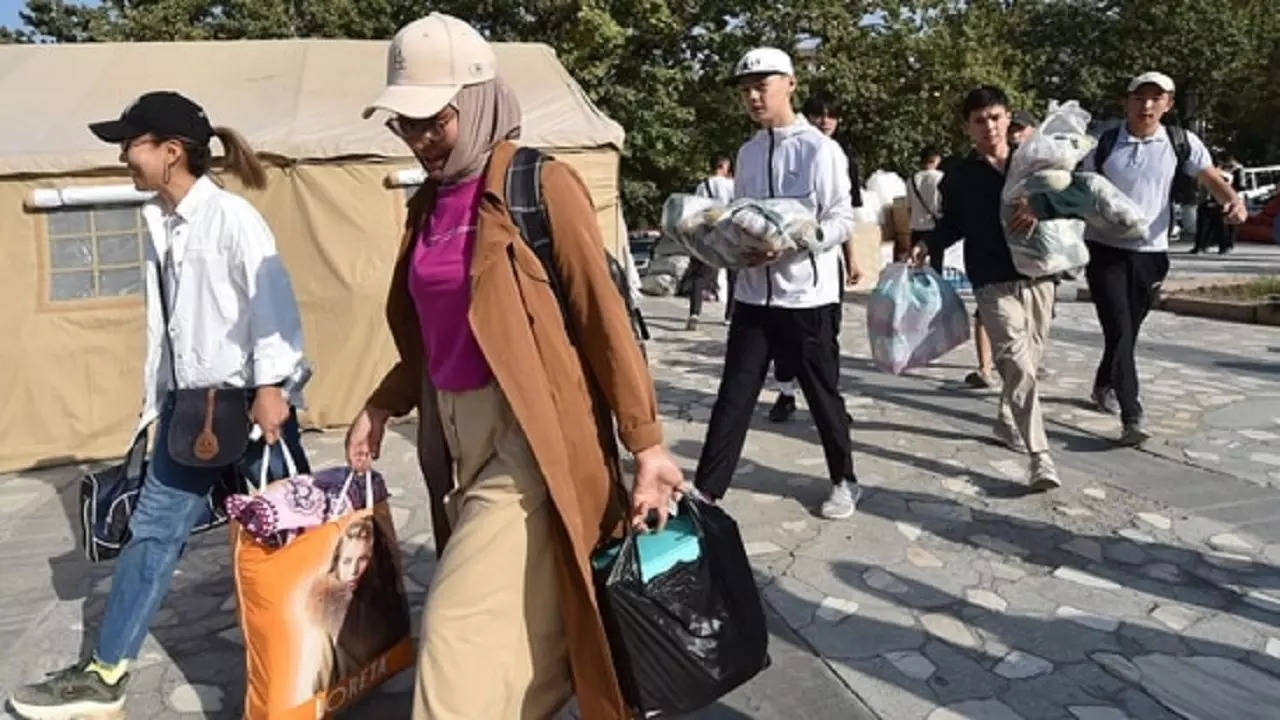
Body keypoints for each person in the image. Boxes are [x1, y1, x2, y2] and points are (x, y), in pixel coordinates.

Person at [344, 14, 683, 720]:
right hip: (456, 435)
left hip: (533, 434)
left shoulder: (540, 184)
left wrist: (646, 444)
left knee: (455, 629)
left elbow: (602, 317)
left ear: (477, 102)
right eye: (405, 125)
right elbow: (429, 336)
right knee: (531, 615)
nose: (420, 139)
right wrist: (382, 404)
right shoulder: (427, 205)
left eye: (433, 121)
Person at [10, 91, 310, 718]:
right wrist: (157, 407)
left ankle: (319, 654)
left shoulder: (232, 220)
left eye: (132, 143)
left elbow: (272, 308)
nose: (123, 155)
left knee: (294, 539)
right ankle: (108, 671)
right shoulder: (162, 224)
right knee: (153, 536)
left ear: (171, 153)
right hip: (190, 414)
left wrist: (271, 389)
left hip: (250, 411)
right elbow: (169, 333)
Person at [694, 47, 861, 519]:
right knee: (735, 393)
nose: (752, 96)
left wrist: (798, 244)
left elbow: (841, 218)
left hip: (806, 296)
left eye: (761, 86)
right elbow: (741, 216)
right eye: (745, 89)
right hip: (752, 294)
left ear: (789, 84)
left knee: (822, 392)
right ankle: (707, 493)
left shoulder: (820, 150)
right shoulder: (747, 153)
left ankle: (844, 478)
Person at [1081, 71, 1246, 445]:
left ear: (1168, 105)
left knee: (1127, 331)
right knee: (1120, 328)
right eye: (1140, 98)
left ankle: (1104, 381)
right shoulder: (1103, 144)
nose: (1147, 105)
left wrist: (1232, 202)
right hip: (1105, 250)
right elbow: (1084, 189)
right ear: (1127, 102)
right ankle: (1132, 413)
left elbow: (1209, 178)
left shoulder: (1180, 142)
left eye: (1157, 99)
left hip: (1151, 253)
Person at [914, 85, 1061, 490]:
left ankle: (1005, 418)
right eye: (979, 121)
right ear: (968, 128)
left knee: (1027, 360)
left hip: (1039, 276)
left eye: (995, 117)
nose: (989, 127)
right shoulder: (959, 176)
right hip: (992, 280)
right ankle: (1040, 456)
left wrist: (1041, 207)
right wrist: (927, 244)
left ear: (1008, 118)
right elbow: (952, 224)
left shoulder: (1032, 162)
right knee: (1015, 360)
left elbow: (1073, 198)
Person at [301, 514, 411, 696]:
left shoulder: (381, 593)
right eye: (346, 561)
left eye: (363, 559)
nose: (353, 571)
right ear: (335, 563)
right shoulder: (323, 609)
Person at [686, 155, 736, 331]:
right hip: (729, 234)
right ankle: (729, 315)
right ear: (723, 166)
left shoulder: (702, 186)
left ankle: (694, 313)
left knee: (699, 276)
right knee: (733, 276)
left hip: (707, 233)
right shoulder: (731, 185)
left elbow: (695, 209)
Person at [1192, 155, 1243, 255]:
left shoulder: (1222, 176)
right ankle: (1213, 246)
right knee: (1215, 226)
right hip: (1213, 201)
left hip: (1215, 201)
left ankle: (1204, 246)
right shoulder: (1225, 176)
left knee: (1212, 225)